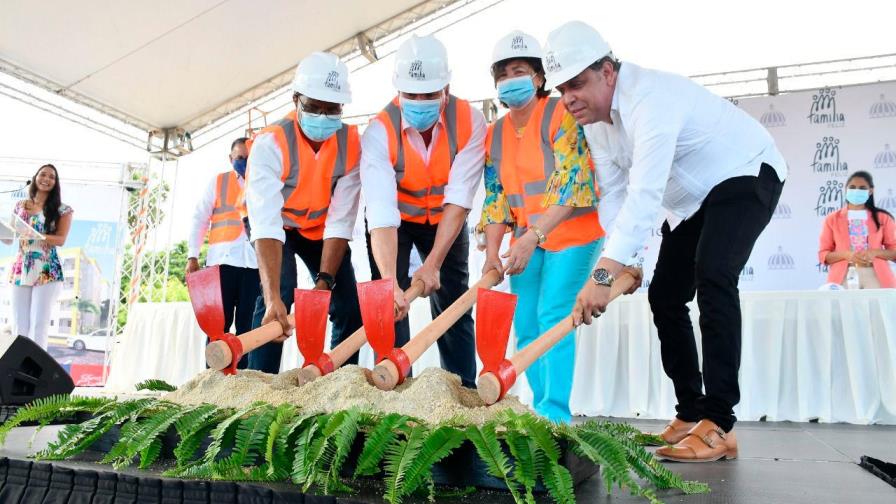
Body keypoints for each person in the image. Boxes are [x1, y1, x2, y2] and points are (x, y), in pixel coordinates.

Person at [544, 21, 786, 461]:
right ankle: (692, 411)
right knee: (666, 295)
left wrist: (603, 273)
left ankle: (720, 423)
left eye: (577, 84)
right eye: (562, 89)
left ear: (608, 72)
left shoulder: (650, 99)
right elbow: (614, 195)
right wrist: (631, 261)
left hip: (747, 172)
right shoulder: (595, 122)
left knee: (714, 276)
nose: (569, 98)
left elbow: (644, 193)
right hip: (693, 201)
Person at [477, 30, 604, 421]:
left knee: (553, 318)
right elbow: (496, 199)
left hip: (573, 235)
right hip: (527, 241)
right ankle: (540, 409)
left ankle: (556, 417)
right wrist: (492, 259)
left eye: (519, 71)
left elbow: (573, 182)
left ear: (538, 77)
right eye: (503, 74)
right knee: (527, 323)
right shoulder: (494, 132)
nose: (509, 80)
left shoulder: (559, 114)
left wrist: (532, 237)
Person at [361, 34, 486, 387]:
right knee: (389, 304)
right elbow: (382, 215)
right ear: (397, 89)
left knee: (453, 303)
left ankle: (461, 390)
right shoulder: (379, 131)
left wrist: (432, 265)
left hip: (445, 220)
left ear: (446, 87)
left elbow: (460, 198)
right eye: (410, 95)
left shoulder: (470, 121)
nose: (418, 102)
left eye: (429, 95)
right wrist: (389, 282)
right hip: (396, 223)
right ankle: (393, 389)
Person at [245, 52, 363, 373]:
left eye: (332, 109)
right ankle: (259, 383)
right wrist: (273, 298)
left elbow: (341, 221)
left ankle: (341, 380)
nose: (323, 116)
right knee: (278, 297)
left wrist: (325, 282)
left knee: (348, 305)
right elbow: (267, 225)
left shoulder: (353, 144)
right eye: (313, 106)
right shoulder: (271, 143)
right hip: (277, 230)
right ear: (296, 98)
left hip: (320, 230)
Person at [186, 138, 259, 368]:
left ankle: (242, 379)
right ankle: (213, 376)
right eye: (239, 158)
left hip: (255, 266)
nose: (244, 163)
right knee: (217, 325)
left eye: (248, 158)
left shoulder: (263, 181)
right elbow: (199, 218)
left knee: (248, 327)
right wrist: (192, 255)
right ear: (230, 159)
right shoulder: (219, 182)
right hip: (222, 264)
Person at [7, 164, 73, 350]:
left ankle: (35, 375)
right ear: (35, 177)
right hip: (21, 268)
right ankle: (17, 371)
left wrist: (38, 236)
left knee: (39, 325)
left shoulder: (63, 210)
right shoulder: (20, 205)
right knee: (19, 326)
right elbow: (10, 238)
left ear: (55, 183)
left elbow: (60, 239)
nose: (46, 179)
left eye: (51, 177)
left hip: (47, 269)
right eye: (43, 174)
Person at [819, 170, 896, 288]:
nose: (857, 191)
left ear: (870, 191)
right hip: (844, 276)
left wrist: (875, 253)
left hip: (876, 276)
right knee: (845, 306)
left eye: (862, 188)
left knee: (877, 306)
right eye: (852, 187)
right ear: (846, 189)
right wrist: (846, 255)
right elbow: (824, 255)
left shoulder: (883, 218)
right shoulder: (832, 219)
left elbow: (894, 252)